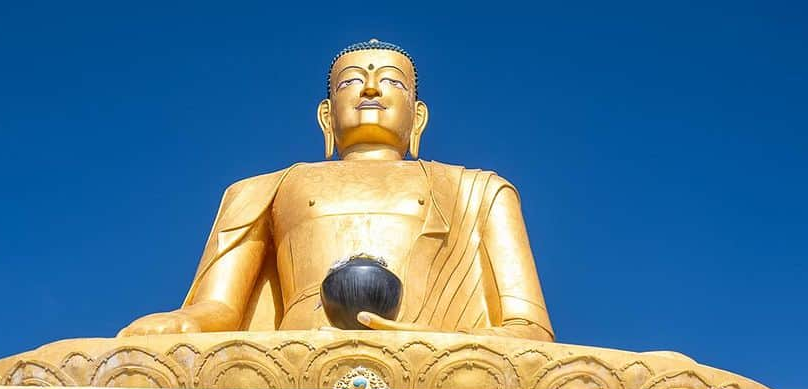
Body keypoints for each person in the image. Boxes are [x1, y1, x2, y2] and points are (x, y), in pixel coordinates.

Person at [118, 40, 552, 341]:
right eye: (350, 82)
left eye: (391, 81)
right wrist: (186, 325)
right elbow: (219, 309)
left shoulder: (480, 190)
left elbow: (527, 332)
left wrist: (432, 339)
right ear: (326, 117)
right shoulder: (262, 190)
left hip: (428, 353)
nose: (369, 89)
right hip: (296, 351)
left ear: (418, 118)